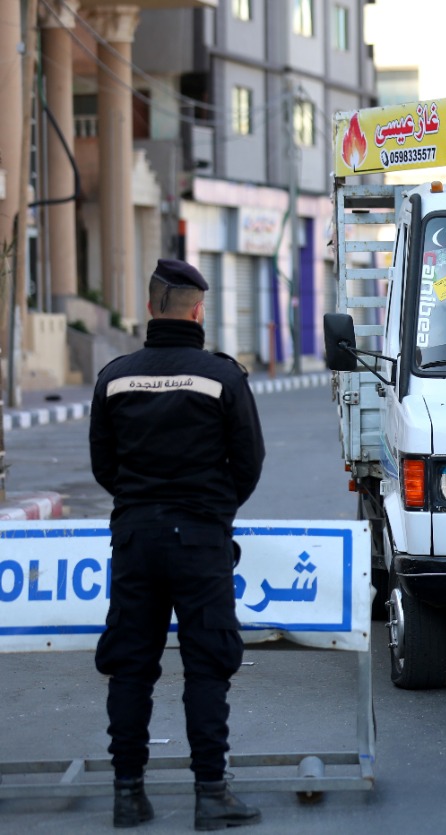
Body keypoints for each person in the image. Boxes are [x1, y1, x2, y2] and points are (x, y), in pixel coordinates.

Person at [89, 259, 266, 829]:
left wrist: (143, 504)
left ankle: (127, 795)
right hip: (200, 540)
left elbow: (103, 466)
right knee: (208, 663)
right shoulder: (222, 377)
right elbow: (249, 462)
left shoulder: (115, 376)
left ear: (148, 309)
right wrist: (211, 510)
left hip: (136, 538)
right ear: (198, 311)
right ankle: (211, 796)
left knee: (131, 665)